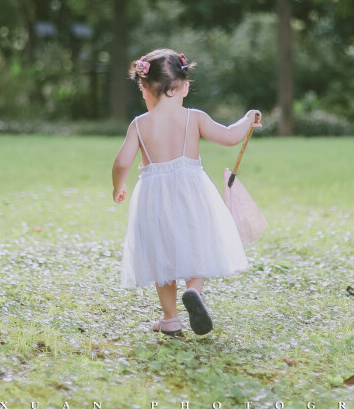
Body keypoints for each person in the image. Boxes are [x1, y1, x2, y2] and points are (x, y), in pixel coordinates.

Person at [112, 48, 262, 336]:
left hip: (153, 196)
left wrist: (118, 186)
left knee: (161, 255)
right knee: (198, 242)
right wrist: (247, 119)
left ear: (145, 89)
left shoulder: (140, 124)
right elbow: (230, 136)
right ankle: (194, 291)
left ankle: (170, 318)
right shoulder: (195, 117)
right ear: (184, 87)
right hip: (192, 191)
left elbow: (121, 163)